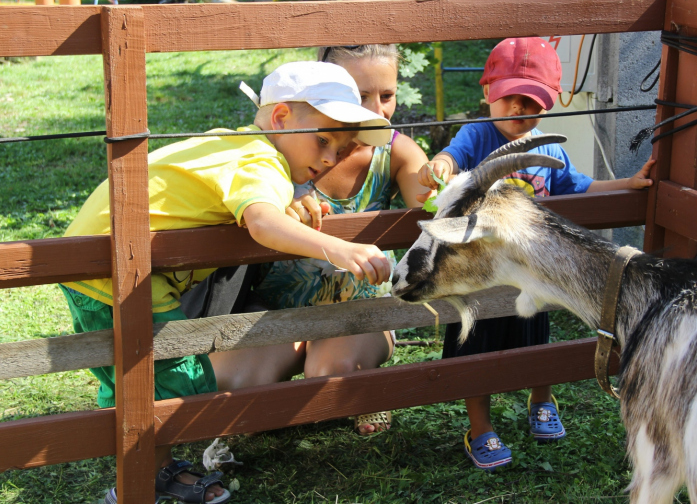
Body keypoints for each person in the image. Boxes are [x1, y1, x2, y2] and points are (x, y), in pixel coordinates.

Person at [59, 61, 393, 503]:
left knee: (135, 378)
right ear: (280, 119)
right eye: (323, 141)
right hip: (123, 274)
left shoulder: (236, 145)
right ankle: (141, 482)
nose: (331, 158)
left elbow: (243, 193)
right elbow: (262, 223)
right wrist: (340, 248)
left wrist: (292, 194)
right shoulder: (259, 161)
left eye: (343, 148)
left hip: (103, 266)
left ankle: (147, 471)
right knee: (175, 379)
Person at [418, 37, 655, 472]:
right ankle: (479, 426)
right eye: (511, 96)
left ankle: (541, 399)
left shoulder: (548, 146)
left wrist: (628, 184)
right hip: (480, 272)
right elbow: (449, 159)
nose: (520, 110)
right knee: (477, 346)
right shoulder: (476, 136)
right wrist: (440, 166)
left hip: (530, 274)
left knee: (537, 338)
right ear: (488, 91)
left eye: (534, 101)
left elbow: (579, 186)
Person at [186, 44, 432, 436]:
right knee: (233, 389)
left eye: (386, 96)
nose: (374, 109)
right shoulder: (277, 149)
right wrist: (289, 187)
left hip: (360, 308)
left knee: (330, 379)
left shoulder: (394, 151)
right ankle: (293, 359)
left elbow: (426, 195)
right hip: (272, 306)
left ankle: (357, 380)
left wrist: (437, 176)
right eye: (358, 95)